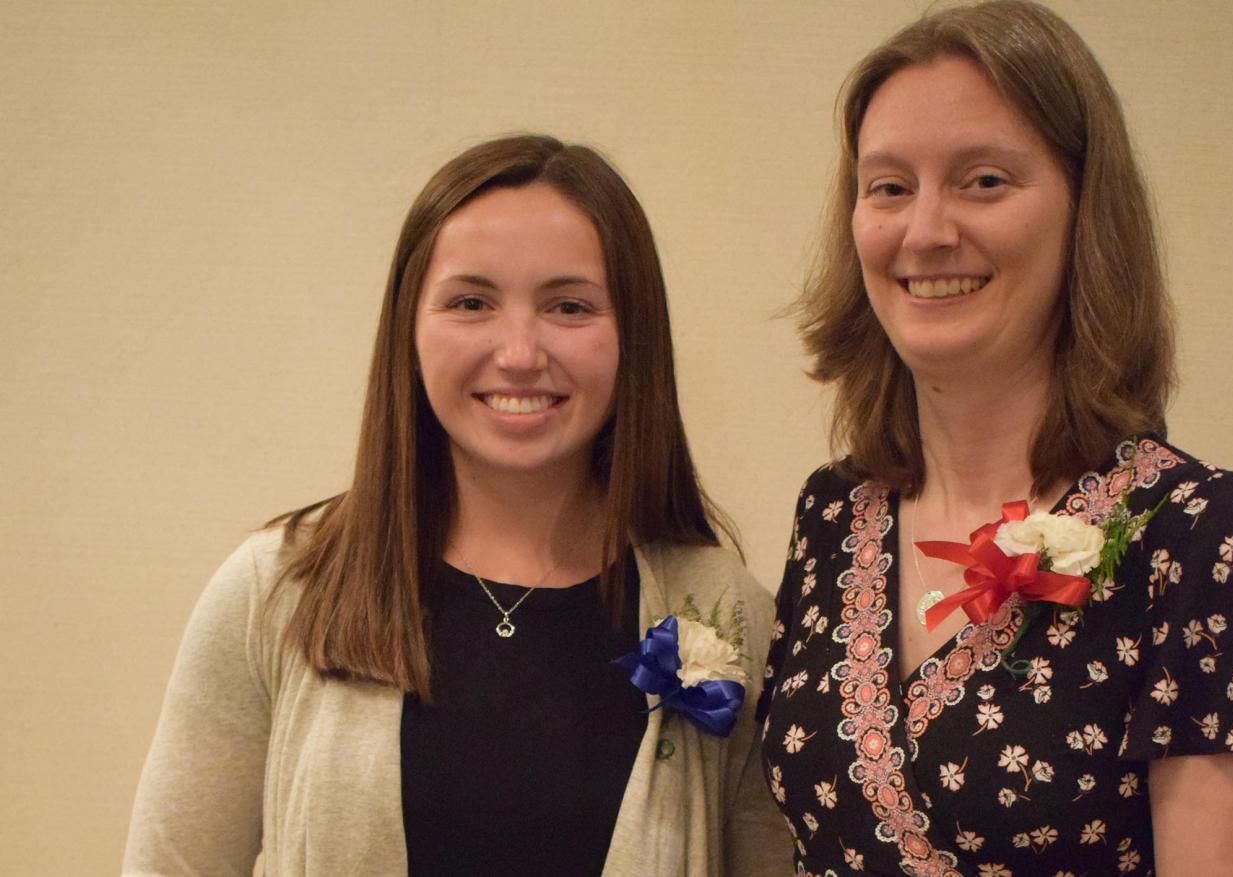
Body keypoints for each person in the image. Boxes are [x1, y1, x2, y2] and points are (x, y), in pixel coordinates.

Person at [123, 135, 788, 876]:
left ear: (634, 336)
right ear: (409, 326)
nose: (519, 351)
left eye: (569, 305)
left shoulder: (726, 616)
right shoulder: (277, 589)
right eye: (471, 302)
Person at [758, 2, 1233, 875]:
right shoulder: (833, 511)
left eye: (984, 181)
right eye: (890, 186)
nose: (927, 231)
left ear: (1086, 212)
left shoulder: (1204, 538)